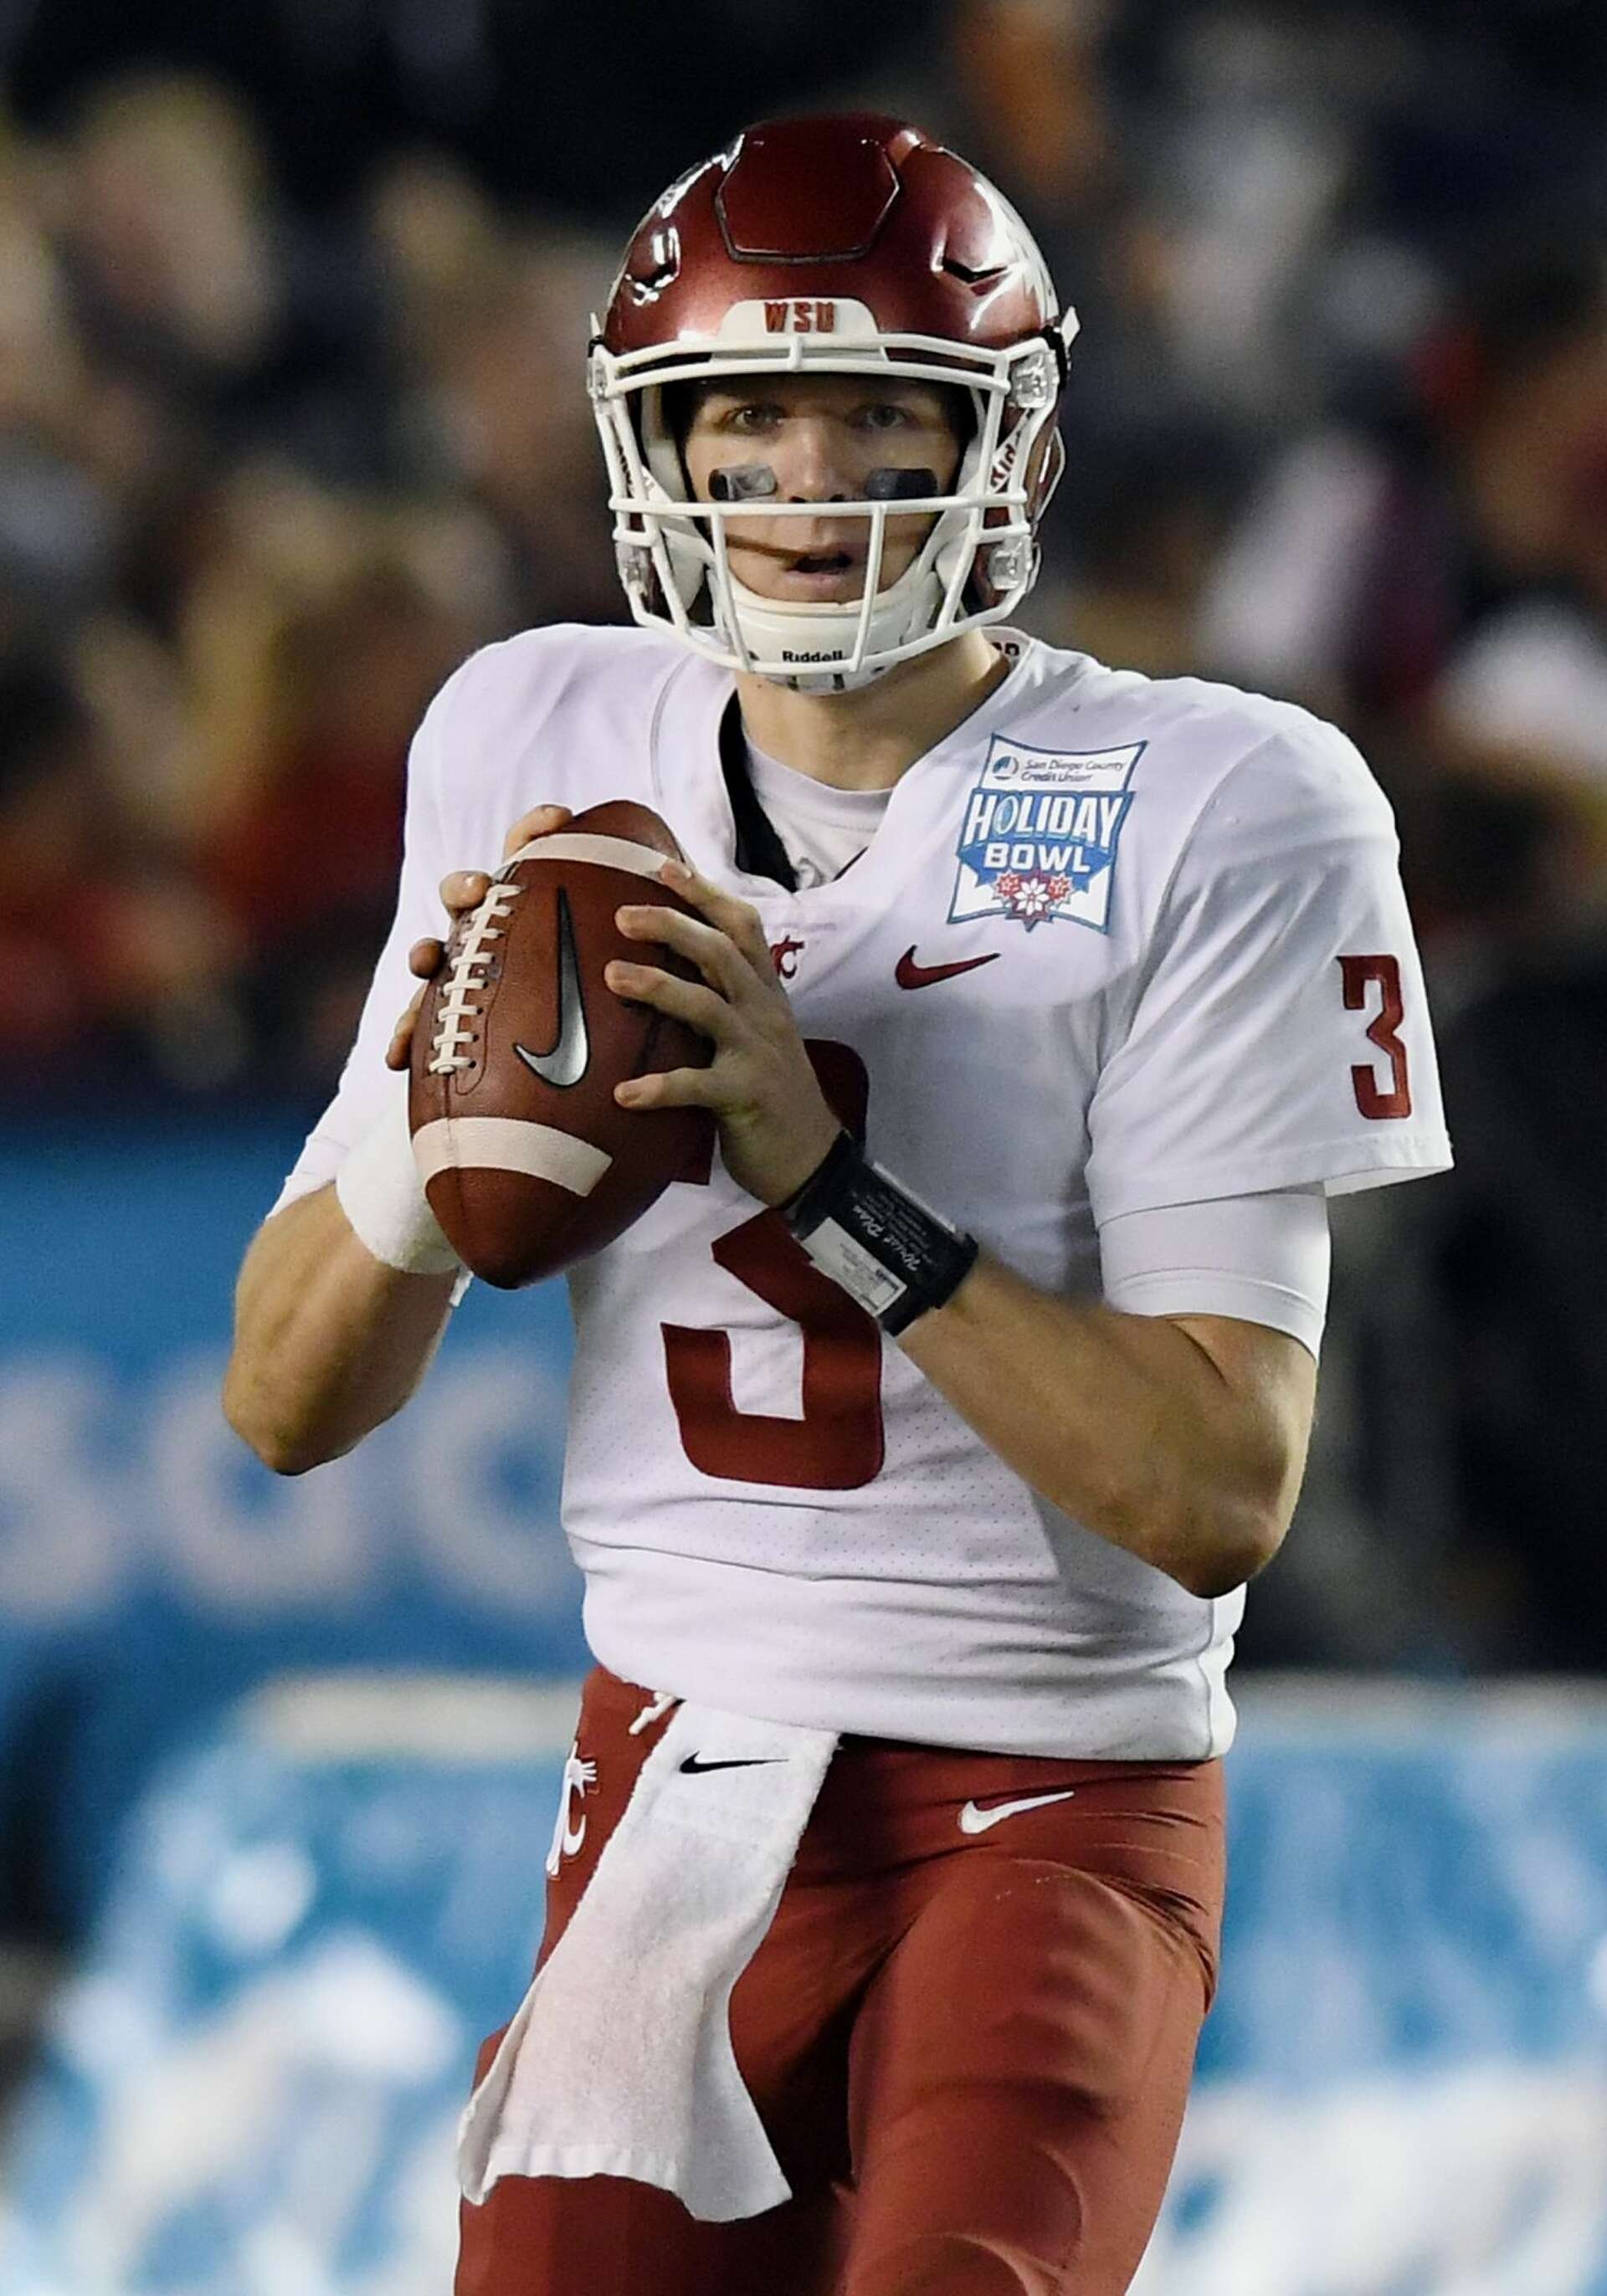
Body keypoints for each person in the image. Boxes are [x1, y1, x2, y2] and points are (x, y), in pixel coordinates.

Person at [223, 115, 1453, 2296]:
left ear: (1008, 444)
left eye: (877, 411)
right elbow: (283, 1403)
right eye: (743, 415)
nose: (804, 480)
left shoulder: (1224, 801)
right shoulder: (535, 731)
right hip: (681, 1781)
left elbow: (1214, 1485)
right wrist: (426, 1149)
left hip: (1052, 1796)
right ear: (657, 446)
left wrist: (824, 1177)